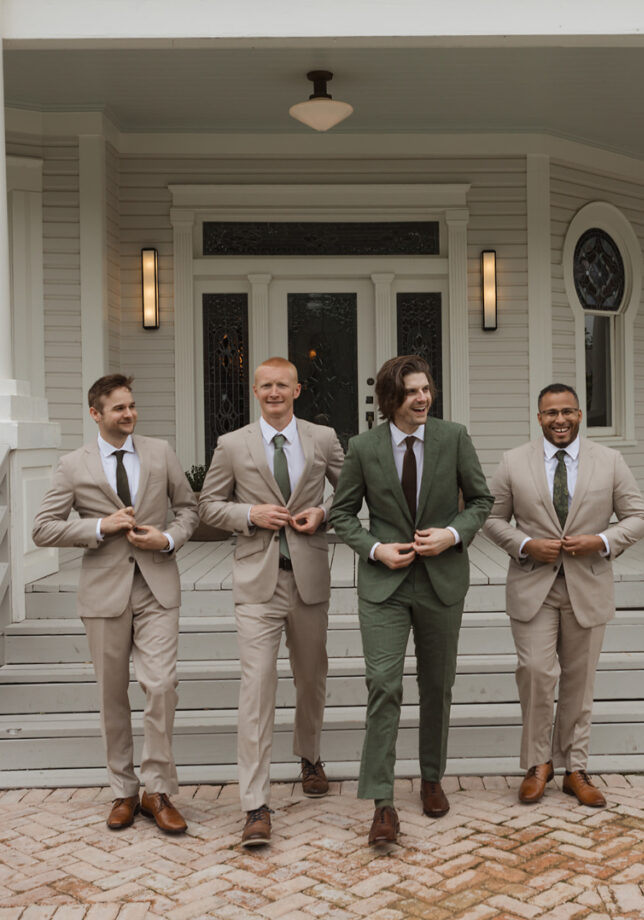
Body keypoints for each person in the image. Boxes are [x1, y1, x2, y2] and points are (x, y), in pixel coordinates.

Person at [329, 355, 493, 846]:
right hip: (385, 586)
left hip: (442, 579)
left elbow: (482, 501)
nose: (423, 398)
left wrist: (452, 534)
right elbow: (342, 513)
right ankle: (382, 802)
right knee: (383, 684)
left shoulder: (454, 437)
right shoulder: (362, 447)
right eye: (412, 392)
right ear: (390, 400)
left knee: (437, 685)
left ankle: (431, 778)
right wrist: (375, 549)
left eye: (427, 389)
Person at [33, 374, 198, 833]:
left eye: (131, 406)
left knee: (161, 685)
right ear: (95, 415)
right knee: (112, 698)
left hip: (157, 585)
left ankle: (157, 789)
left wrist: (167, 537)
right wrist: (99, 527)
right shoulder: (72, 465)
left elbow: (190, 510)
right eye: (118, 408)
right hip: (104, 592)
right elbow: (43, 528)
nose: (129, 414)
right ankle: (123, 792)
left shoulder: (160, 452)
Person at [198, 357, 344, 847]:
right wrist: (249, 512)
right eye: (266, 386)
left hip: (308, 578)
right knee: (256, 690)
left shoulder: (323, 438)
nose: (275, 392)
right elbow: (208, 505)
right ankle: (255, 804)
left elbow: (351, 496)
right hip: (257, 582)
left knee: (311, 677)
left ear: (298, 389)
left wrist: (322, 512)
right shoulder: (232, 444)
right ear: (254, 390)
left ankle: (309, 756)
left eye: (283, 385)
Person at [483, 383, 644, 808]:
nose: (560, 419)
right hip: (532, 585)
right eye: (551, 413)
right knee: (536, 673)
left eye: (568, 412)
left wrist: (602, 540)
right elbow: (491, 518)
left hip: (587, 584)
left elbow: (639, 516)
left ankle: (575, 767)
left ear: (580, 415)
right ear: (539, 418)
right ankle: (538, 764)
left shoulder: (609, 462)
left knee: (580, 682)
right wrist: (524, 545)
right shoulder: (512, 461)